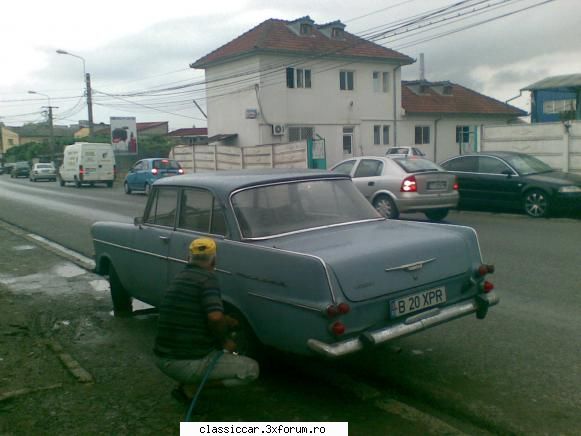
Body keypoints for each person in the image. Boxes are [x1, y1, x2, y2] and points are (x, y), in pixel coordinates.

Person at [154, 238, 259, 403]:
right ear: (214, 259)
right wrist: (225, 341)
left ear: (188, 257)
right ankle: (191, 387)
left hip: (162, 356)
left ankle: (188, 378)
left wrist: (226, 320)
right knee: (251, 369)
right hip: (183, 362)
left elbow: (198, 313)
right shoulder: (208, 279)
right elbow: (215, 317)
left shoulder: (181, 277)